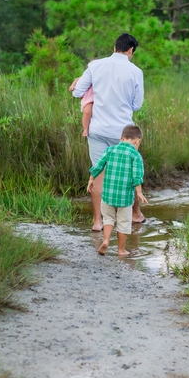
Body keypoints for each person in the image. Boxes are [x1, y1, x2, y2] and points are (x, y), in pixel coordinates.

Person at [72, 33, 145, 231]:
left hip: (97, 130)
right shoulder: (135, 71)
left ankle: (98, 222)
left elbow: (77, 91)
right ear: (130, 50)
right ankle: (135, 215)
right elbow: (137, 105)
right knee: (130, 173)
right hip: (122, 132)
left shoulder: (95, 66)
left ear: (115, 47)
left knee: (98, 175)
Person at [87, 125, 148, 256]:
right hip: (125, 198)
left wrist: (91, 179)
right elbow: (137, 177)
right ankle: (121, 250)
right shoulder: (135, 156)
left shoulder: (110, 150)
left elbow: (98, 166)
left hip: (108, 195)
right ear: (138, 141)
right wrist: (139, 192)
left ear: (121, 138)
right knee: (123, 223)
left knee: (108, 219)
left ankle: (106, 241)